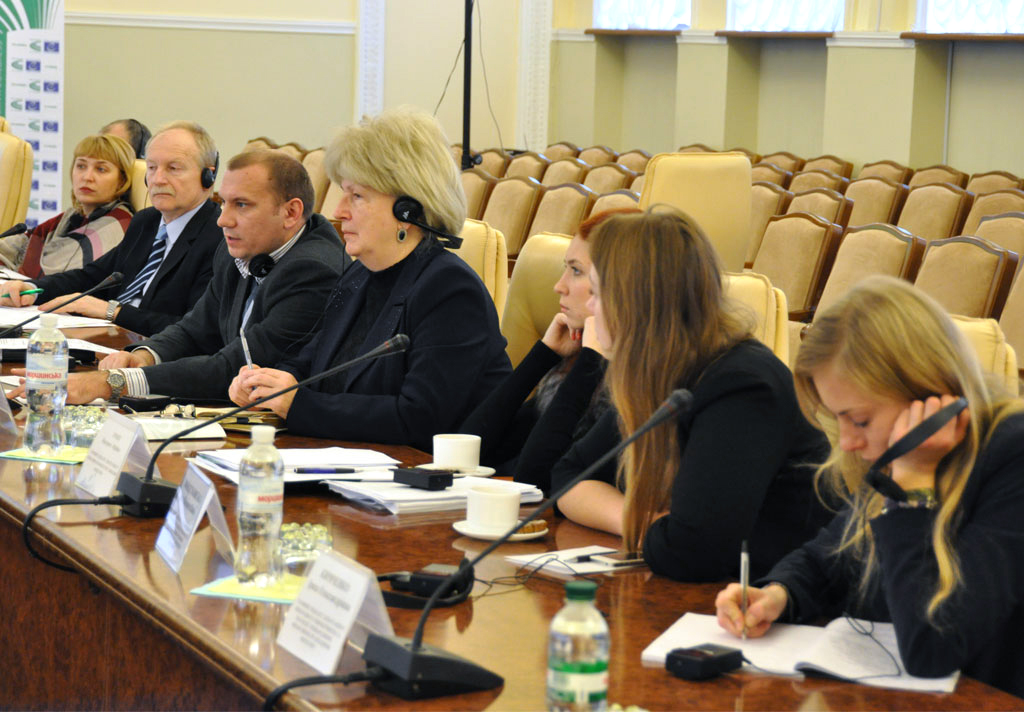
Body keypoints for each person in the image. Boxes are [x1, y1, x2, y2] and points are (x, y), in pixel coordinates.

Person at [714, 276, 1024, 697]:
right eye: (837, 418)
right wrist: (778, 593)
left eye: (859, 420)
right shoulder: (897, 457)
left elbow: (933, 649)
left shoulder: (1011, 458)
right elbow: (827, 558)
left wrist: (912, 493)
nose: (846, 443)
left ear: (927, 394)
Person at [551, 208, 831, 581]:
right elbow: (568, 476)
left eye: (599, 294)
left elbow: (691, 552)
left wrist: (654, 530)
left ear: (637, 303)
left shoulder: (743, 386)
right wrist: (643, 521)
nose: (590, 307)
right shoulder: (657, 372)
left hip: (778, 598)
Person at [227, 108, 510, 452]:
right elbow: (312, 362)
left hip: (428, 475)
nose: (339, 211)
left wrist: (298, 404)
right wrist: (265, 384)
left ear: (407, 210)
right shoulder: (359, 274)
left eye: (357, 196)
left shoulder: (449, 290)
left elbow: (420, 418)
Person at [69, 150, 347, 404]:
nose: (223, 220)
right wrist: (146, 355)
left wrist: (114, 383)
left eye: (242, 205)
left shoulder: (313, 270)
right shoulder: (238, 249)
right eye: (224, 203)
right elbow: (196, 328)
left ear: (291, 212)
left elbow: (236, 366)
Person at [460, 209, 639, 493]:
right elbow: (467, 452)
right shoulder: (572, 362)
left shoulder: (633, 388)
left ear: (621, 286)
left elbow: (536, 478)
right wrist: (543, 355)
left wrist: (592, 360)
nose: (559, 286)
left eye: (576, 271)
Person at [0, 121, 223, 336]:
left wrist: (112, 312)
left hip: (153, 351)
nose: (158, 179)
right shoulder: (147, 221)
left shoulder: (219, 238)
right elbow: (92, 277)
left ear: (208, 177)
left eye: (173, 168)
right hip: (108, 338)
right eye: (152, 168)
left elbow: (197, 329)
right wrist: (33, 289)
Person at [0, 134, 135, 278]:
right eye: (81, 166)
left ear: (122, 180)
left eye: (101, 169)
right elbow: (14, 246)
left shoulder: (119, 223)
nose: (87, 177)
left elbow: (55, 278)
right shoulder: (74, 215)